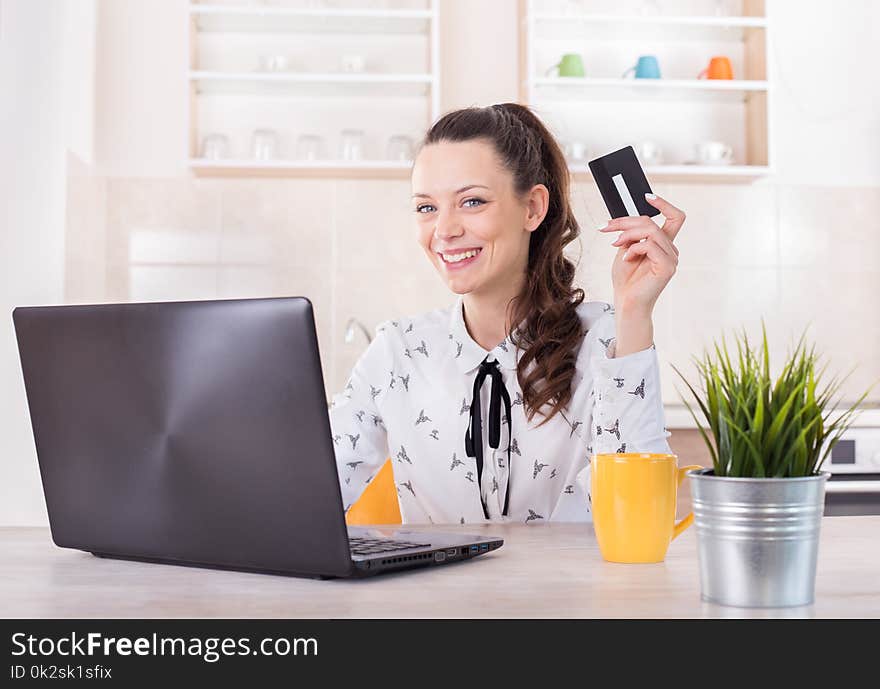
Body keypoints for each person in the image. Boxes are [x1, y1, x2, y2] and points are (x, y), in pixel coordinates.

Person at [328, 103, 684, 524]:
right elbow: (307, 502)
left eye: (472, 201)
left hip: (572, 592)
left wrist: (634, 311)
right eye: (426, 207)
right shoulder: (397, 351)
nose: (444, 230)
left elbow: (641, 520)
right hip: (434, 593)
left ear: (533, 208)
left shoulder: (606, 339)